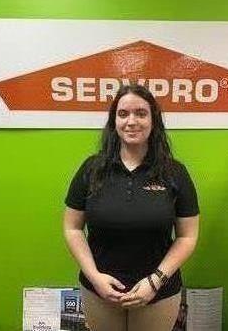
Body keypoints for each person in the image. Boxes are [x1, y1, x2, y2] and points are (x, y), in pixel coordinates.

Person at [63, 84, 200, 331]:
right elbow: (72, 229)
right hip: (100, 289)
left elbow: (188, 236)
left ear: (153, 120)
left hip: (158, 291)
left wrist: (155, 281)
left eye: (141, 113)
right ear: (113, 121)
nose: (131, 121)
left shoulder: (174, 172)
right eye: (123, 114)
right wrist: (95, 277)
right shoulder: (92, 169)